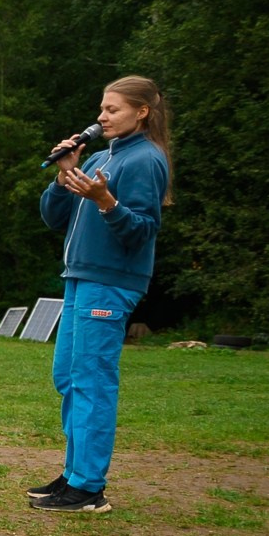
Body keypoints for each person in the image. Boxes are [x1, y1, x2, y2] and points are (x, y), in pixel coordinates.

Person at [33, 77, 171, 513]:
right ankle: (74, 474)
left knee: (92, 380)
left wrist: (106, 201)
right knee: (69, 378)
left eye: (112, 109)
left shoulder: (146, 159)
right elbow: (54, 218)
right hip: (80, 277)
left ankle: (89, 488)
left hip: (111, 282)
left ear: (141, 112)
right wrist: (64, 173)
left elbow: (144, 230)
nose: (101, 116)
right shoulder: (99, 158)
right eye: (101, 108)